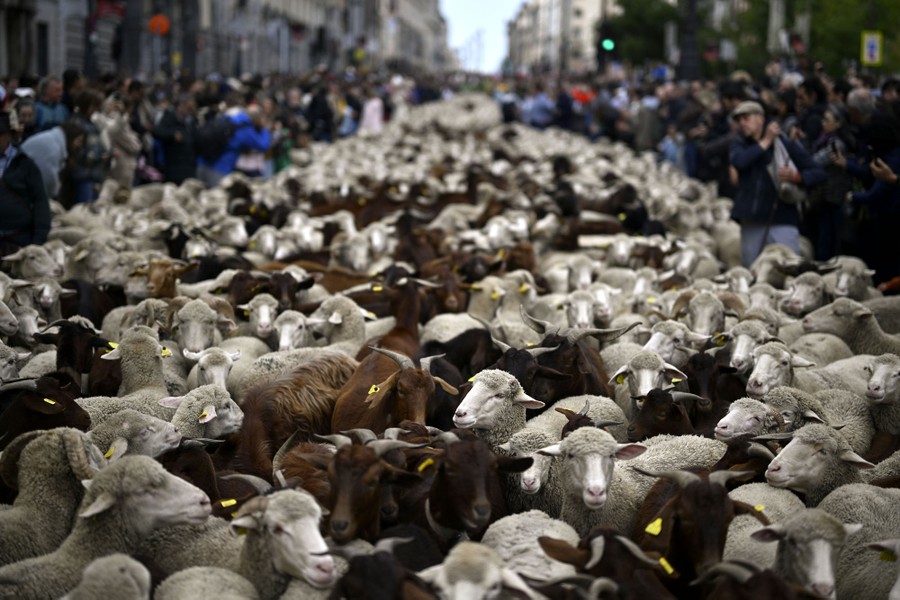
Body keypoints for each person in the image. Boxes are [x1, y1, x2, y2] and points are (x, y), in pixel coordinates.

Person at [729, 100, 825, 267]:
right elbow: (739, 162)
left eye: (746, 118)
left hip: (782, 217)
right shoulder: (739, 144)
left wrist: (797, 177)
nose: (742, 123)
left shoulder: (783, 144)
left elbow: (818, 172)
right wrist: (765, 142)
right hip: (752, 219)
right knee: (752, 270)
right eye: (738, 120)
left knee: (790, 267)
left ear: (760, 118)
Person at [0, 112, 51, 253]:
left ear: (9, 135)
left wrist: (38, 240)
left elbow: (40, 200)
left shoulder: (25, 164)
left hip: (19, 239)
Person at [196, 95, 271, 188]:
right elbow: (263, 145)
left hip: (202, 163)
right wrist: (265, 129)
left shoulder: (225, 118)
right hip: (220, 169)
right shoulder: (244, 128)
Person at [19, 120, 85, 200]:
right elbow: (48, 177)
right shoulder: (53, 147)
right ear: (71, 137)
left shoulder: (54, 141)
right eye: (78, 141)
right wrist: (55, 192)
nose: (79, 145)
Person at [65, 89, 108, 205]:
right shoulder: (76, 124)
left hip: (95, 174)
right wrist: (98, 157)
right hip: (83, 175)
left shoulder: (92, 124)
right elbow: (76, 151)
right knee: (83, 208)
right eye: (93, 106)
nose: (95, 110)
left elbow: (98, 143)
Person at [153, 93, 197, 184]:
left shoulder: (191, 121)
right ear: (181, 106)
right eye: (188, 108)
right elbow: (157, 131)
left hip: (188, 165)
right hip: (174, 166)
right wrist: (172, 135)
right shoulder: (169, 117)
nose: (190, 111)